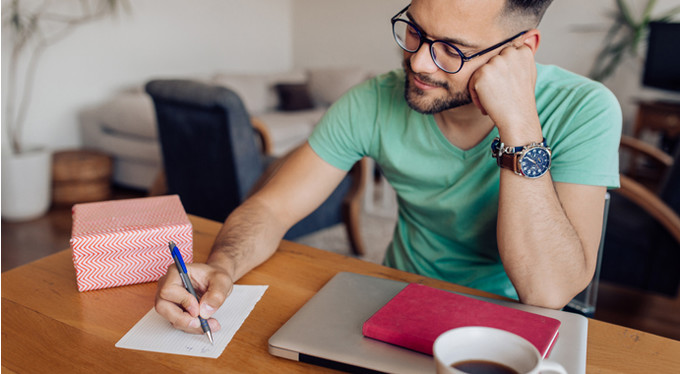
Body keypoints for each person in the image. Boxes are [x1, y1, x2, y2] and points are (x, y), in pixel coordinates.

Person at [155, 0, 621, 336]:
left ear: (520, 50)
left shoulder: (585, 109)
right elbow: (272, 209)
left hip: (512, 322)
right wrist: (221, 266)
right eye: (415, 30)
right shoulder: (373, 99)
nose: (418, 61)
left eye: (452, 49)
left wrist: (519, 126)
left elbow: (547, 292)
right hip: (399, 300)